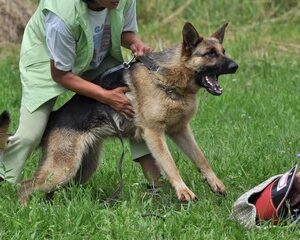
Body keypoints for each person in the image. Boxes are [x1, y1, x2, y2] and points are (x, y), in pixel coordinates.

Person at [0, 0, 160, 189]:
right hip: (47, 64)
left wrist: (135, 42)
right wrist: (106, 96)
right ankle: (5, 178)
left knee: (138, 110)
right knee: (30, 135)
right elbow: (60, 74)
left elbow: (124, 32)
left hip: (95, 56)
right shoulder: (61, 15)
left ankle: (155, 185)